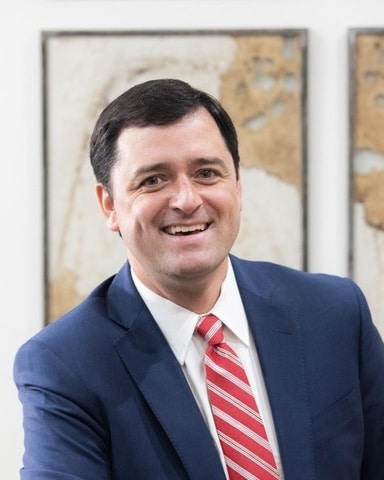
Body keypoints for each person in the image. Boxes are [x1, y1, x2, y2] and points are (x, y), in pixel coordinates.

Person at [14, 78, 384, 480]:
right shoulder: (63, 365)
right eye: (153, 180)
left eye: (207, 173)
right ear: (110, 205)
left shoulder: (335, 314)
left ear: (238, 186)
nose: (187, 200)